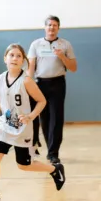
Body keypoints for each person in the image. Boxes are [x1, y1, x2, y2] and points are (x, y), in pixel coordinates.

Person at [0, 44, 66, 201]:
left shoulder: (26, 81)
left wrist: (30, 116)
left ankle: (54, 169)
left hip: (23, 128)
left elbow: (42, 101)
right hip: (5, 125)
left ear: (23, 61)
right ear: (5, 58)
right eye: (11, 55)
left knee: (24, 165)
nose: (15, 58)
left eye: (19, 56)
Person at [28, 15, 77, 165]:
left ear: (58, 28)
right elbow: (31, 67)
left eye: (55, 25)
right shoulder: (36, 44)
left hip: (58, 83)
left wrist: (62, 57)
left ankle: (53, 153)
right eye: (49, 25)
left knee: (57, 118)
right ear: (45, 27)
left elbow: (73, 67)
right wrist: (28, 84)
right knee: (45, 118)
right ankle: (49, 147)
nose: (51, 28)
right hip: (40, 83)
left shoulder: (65, 44)